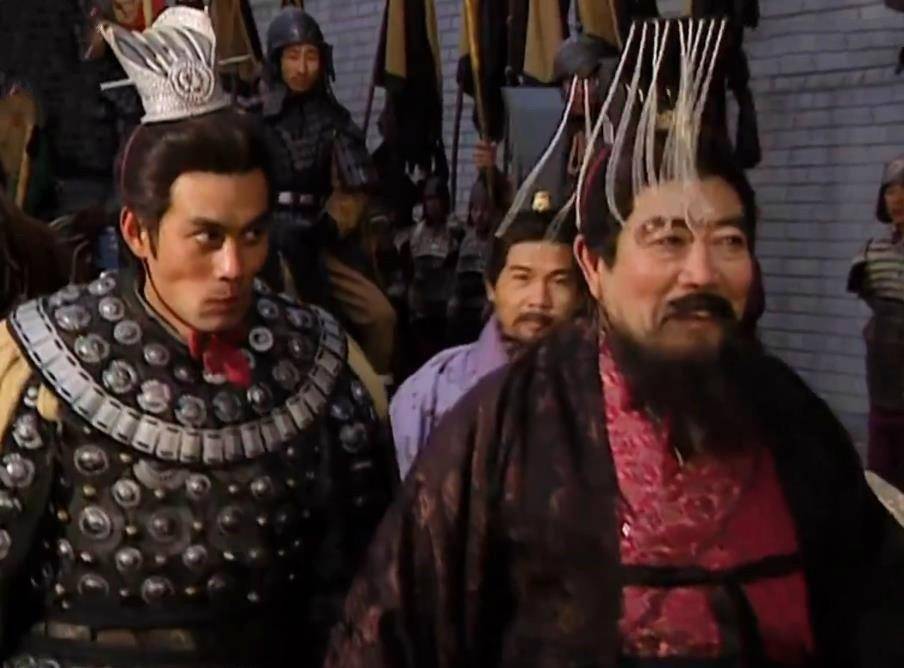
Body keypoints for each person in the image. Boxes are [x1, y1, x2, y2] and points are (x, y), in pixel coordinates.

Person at [325, 18, 904, 667]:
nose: (702, 273)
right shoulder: (507, 429)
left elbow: (879, 611)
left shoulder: (793, 420)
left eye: (729, 240)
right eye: (667, 240)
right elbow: (389, 633)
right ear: (594, 266)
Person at [0, 8, 396, 668]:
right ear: (138, 233)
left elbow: (362, 596)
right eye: (207, 237)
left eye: (253, 235)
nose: (234, 267)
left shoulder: (319, 366)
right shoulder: (47, 363)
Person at [391, 204, 584, 478]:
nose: (539, 300)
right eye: (522, 278)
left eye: (559, 282)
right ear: (491, 286)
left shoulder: (600, 394)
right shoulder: (428, 394)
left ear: (580, 295)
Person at [257, 6, 397, 380]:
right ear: (277, 60)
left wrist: (329, 226)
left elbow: (356, 188)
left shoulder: (334, 121)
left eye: (311, 56)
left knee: (379, 316)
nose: (302, 67)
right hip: (263, 240)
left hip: (320, 239)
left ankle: (371, 390)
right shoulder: (253, 122)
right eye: (293, 56)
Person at [849, 156, 904, 491]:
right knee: (882, 481)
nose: (897, 198)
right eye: (891, 190)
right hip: (883, 387)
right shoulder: (871, 253)